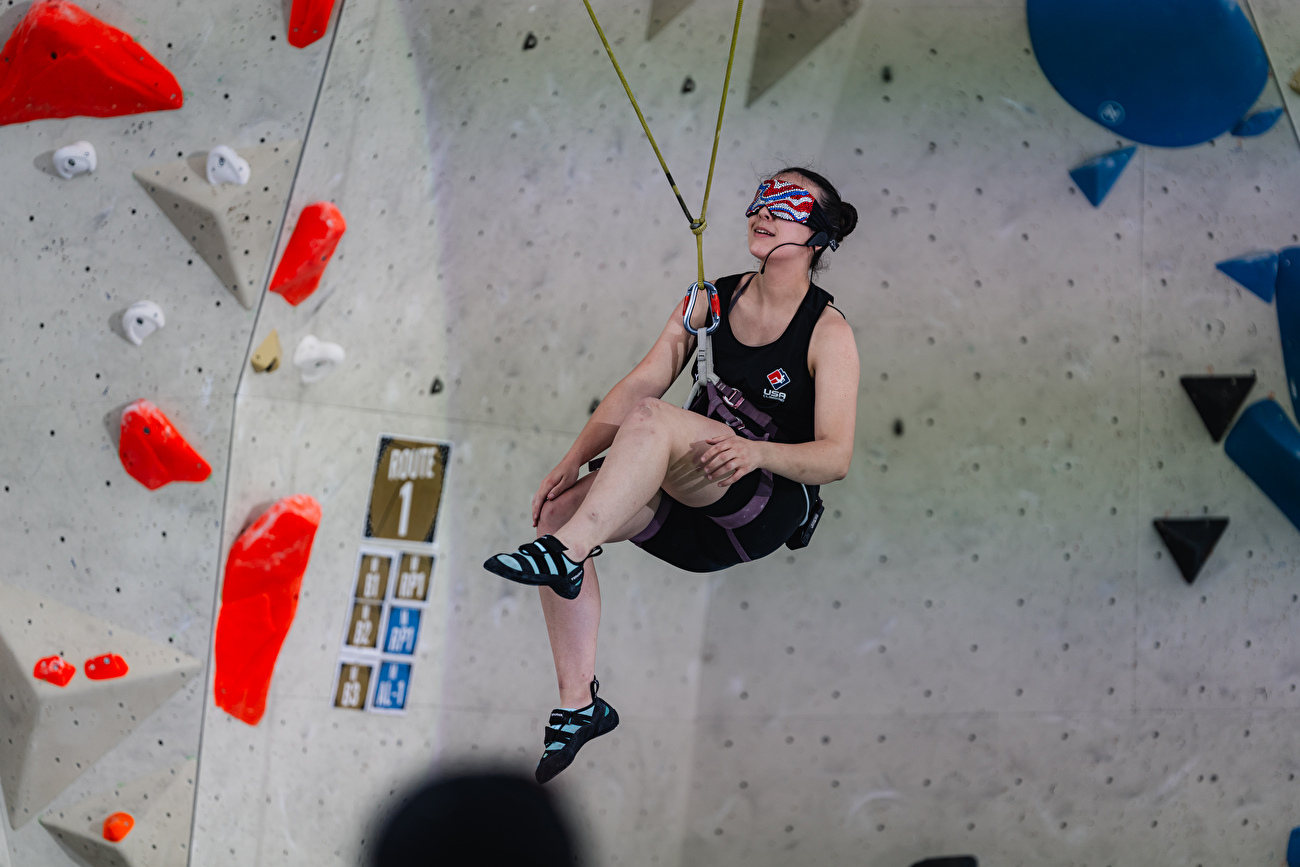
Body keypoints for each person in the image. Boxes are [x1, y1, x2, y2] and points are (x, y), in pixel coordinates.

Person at [484, 167, 861, 784]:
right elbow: (642, 379)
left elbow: (836, 456)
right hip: (685, 509)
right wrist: (572, 458)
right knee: (560, 511)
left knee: (652, 425)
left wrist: (757, 453)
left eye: (786, 206)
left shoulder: (828, 332)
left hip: (757, 503)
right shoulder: (713, 299)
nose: (763, 213)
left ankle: (567, 553)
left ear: (818, 234)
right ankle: (579, 706)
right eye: (760, 198)